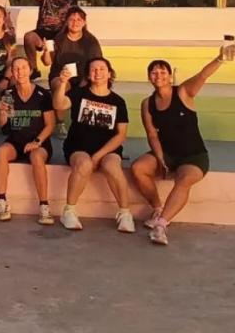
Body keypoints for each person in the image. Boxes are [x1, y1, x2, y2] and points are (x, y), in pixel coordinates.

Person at [131, 49, 232, 245]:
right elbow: (152, 134)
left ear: (170, 76)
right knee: (138, 168)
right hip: (167, 153)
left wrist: (220, 59)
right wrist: (160, 158)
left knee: (184, 180)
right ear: (149, 77)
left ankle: (161, 225)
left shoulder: (183, 92)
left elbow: (202, 75)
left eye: (163, 72)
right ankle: (157, 208)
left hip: (193, 155)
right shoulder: (147, 103)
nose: (158, 76)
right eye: (154, 72)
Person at [52, 58, 134, 233]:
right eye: (93, 69)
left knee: (112, 166)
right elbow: (59, 104)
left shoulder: (118, 101)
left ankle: (125, 213)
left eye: (102, 69)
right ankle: (69, 211)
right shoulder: (78, 94)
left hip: (108, 148)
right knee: (84, 164)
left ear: (110, 74)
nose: (98, 72)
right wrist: (63, 83)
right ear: (88, 75)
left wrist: (98, 155)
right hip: (78, 146)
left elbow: (121, 135)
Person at [0, 57, 56, 224]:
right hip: (16, 141)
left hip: (38, 142)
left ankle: (44, 206)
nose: (20, 71)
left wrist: (37, 141)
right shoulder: (8, 94)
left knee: (36, 157)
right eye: (16, 68)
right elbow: (4, 127)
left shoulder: (43, 95)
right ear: (12, 73)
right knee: (1, 152)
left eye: (23, 68)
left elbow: (50, 125)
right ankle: (1, 201)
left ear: (30, 70)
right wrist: (1, 113)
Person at [43, 6, 103, 138]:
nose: (75, 22)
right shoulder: (59, 38)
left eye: (79, 20)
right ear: (66, 21)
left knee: (90, 88)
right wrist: (46, 52)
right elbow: (47, 62)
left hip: (83, 76)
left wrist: (86, 80)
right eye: (72, 19)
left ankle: (87, 125)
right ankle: (60, 123)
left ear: (84, 22)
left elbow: (97, 62)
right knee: (61, 85)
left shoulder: (91, 41)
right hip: (60, 75)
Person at [24, 0, 77, 80]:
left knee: (51, 59)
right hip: (42, 33)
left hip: (60, 34)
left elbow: (76, 17)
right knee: (29, 37)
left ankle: (60, 75)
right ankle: (34, 69)